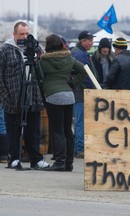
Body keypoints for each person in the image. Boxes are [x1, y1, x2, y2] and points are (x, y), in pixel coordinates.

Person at [0, 21, 49, 169]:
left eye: (27, 33)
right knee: (13, 130)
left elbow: (43, 66)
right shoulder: (5, 50)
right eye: (21, 34)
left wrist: (36, 51)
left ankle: (36, 159)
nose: (24, 36)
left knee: (33, 130)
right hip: (13, 97)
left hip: (32, 96)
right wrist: (5, 96)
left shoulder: (34, 49)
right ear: (14, 34)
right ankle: (14, 158)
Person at [39, 34, 87, 171]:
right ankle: (69, 163)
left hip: (53, 96)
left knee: (57, 130)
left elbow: (38, 78)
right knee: (67, 130)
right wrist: (72, 84)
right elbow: (84, 71)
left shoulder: (43, 61)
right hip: (69, 96)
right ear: (61, 44)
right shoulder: (69, 58)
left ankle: (59, 161)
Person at [71, 31, 98, 158]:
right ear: (83, 41)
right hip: (80, 93)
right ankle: (80, 148)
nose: (92, 42)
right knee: (80, 122)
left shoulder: (80, 53)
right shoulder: (80, 54)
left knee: (79, 121)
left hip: (80, 91)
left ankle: (78, 147)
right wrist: (92, 88)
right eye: (90, 40)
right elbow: (85, 75)